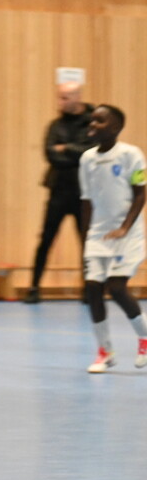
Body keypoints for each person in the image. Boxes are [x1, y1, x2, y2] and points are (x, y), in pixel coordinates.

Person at [77, 104, 146, 373]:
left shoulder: (131, 154)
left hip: (127, 234)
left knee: (116, 288)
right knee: (93, 289)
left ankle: (145, 337)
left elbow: (140, 194)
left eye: (100, 121)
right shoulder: (87, 159)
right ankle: (105, 352)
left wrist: (125, 227)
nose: (92, 125)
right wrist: (86, 236)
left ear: (116, 127)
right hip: (98, 234)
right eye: (92, 120)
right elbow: (86, 201)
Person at [26, 82, 96, 303]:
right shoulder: (55, 125)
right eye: (59, 97)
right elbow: (50, 155)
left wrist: (65, 147)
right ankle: (34, 288)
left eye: (65, 98)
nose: (61, 102)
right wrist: (75, 153)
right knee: (45, 239)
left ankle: (89, 290)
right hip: (58, 191)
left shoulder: (93, 123)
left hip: (84, 193)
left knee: (87, 243)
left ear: (77, 97)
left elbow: (91, 153)